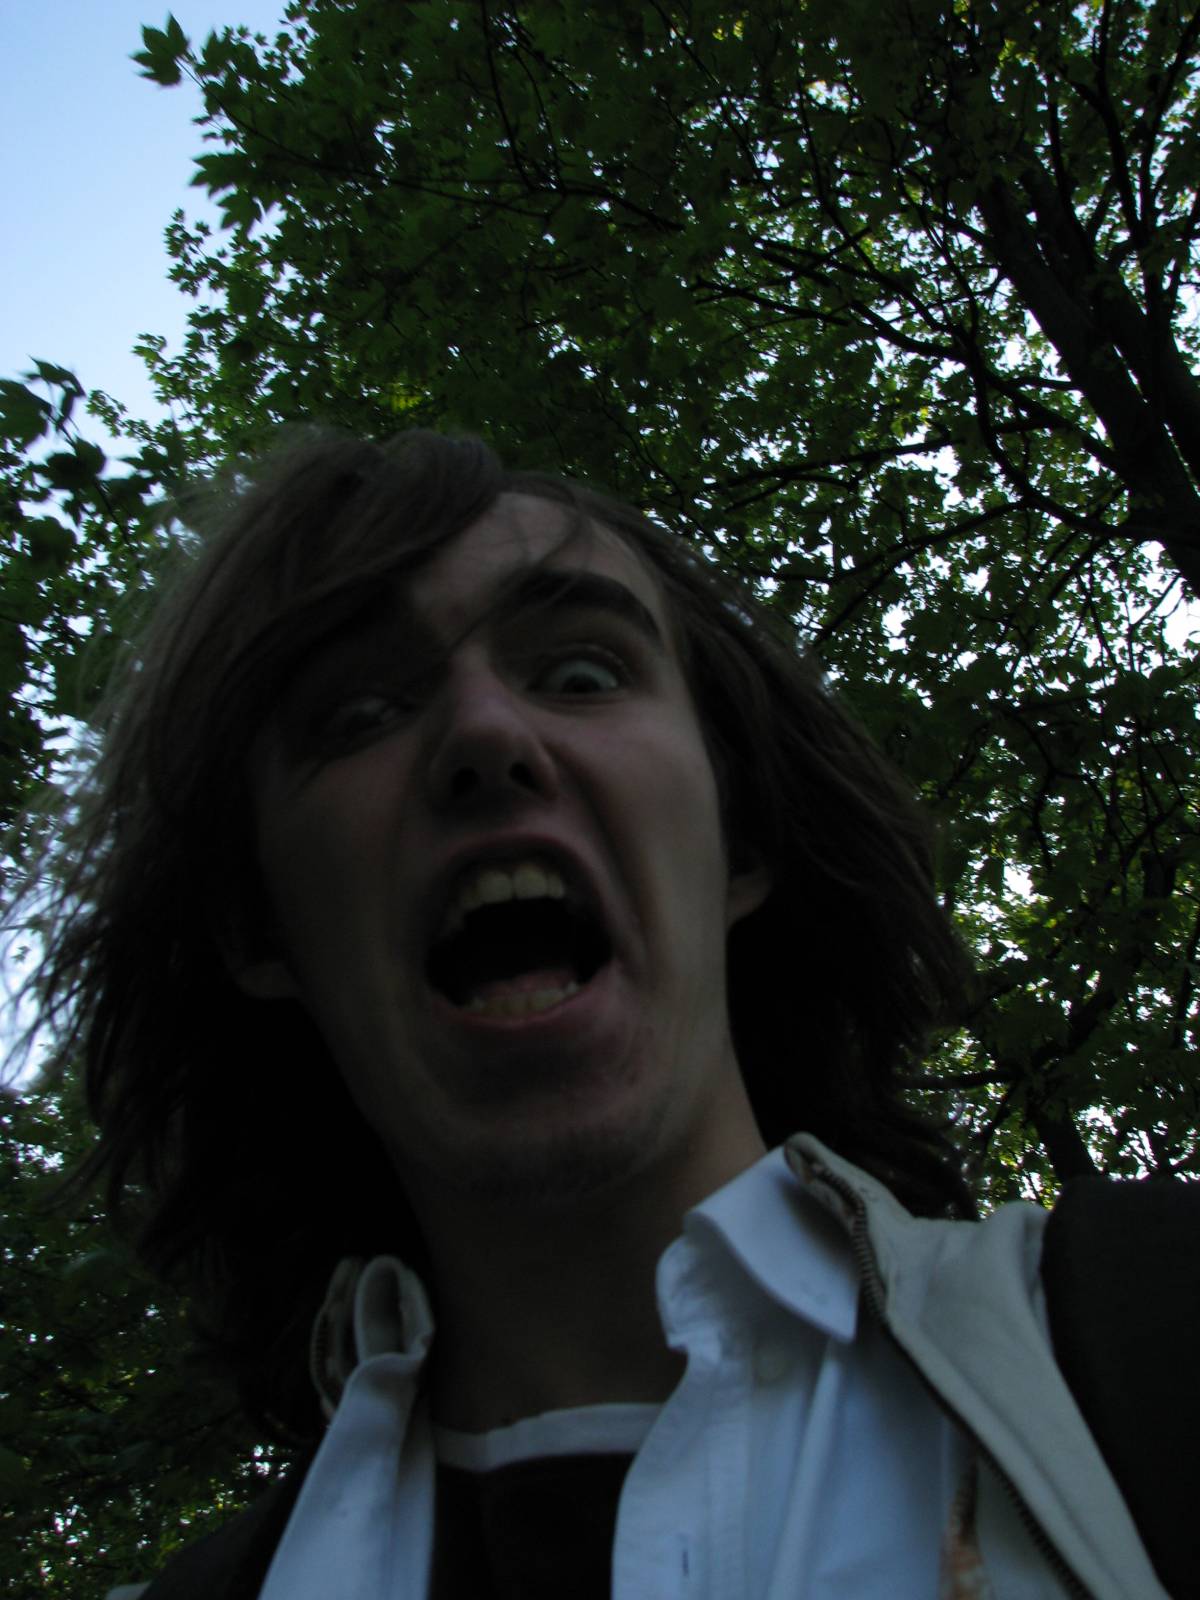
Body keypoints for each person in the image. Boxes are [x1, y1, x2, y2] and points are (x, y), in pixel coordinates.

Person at [31, 429, 1173, 1598]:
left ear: (740, 837)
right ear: (259, 926)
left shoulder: (1159, 1322)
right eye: (360, 710)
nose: (485, 734)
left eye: (581, 674)